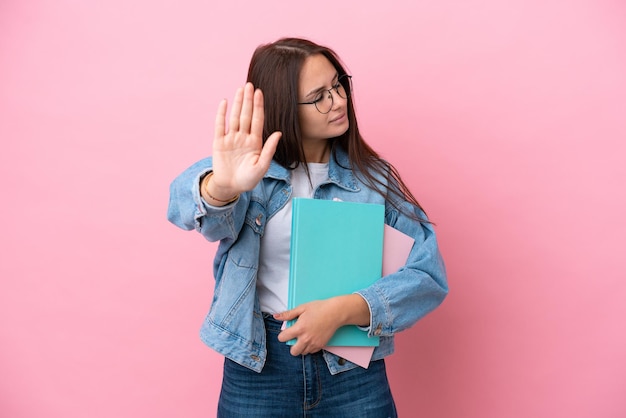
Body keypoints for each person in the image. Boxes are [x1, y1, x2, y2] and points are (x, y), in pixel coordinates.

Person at [167, 37, 448, 417]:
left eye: (338, 86)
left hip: (350, 369)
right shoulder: (251, 174)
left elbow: (428, 273)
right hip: (257, 363)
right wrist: (222, 186)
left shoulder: (372, 178)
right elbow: (186, 207)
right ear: (285, 108)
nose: (338, 101)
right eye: (319, 96)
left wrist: (344, 310)